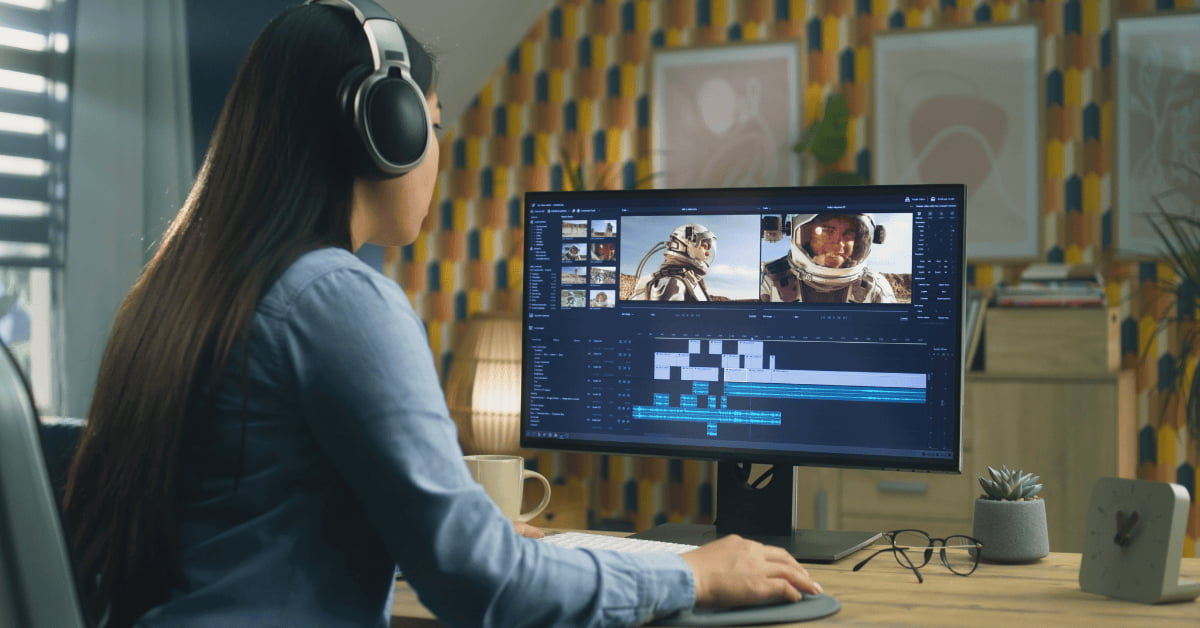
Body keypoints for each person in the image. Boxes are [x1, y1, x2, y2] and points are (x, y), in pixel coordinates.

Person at [61, 2, 820, 627]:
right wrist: (690, 577)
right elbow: (485, 588)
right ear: (384, 128)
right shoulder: (333, 297)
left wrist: (456, 540)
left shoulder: (171, 295)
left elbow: (251, 526)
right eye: (433, 123)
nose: (436, 152)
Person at [760, 213, 896, 303]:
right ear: (807, 235)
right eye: (826, 231)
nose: (838, 244)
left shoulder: (875, 288)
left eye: (849, 234)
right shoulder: (769, 281)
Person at [630, 223, 716, 301]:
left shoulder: (692, 281)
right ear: (688, 242)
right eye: (704, 246)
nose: (707, 253)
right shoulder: (672, 283)